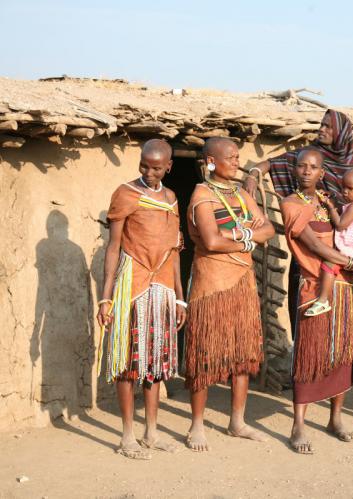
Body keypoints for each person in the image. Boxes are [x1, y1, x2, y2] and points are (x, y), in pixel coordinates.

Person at [183, 137, 275, 452]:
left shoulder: (239, 193)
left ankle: (237, 421)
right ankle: (196, 424)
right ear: (210, 162)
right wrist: (250, 237)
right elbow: (210, 241)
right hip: (212, 285)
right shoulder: (201, 195)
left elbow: (269, 230)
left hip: (241, 283)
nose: (237, 163)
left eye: (238, 158)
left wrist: (237, 235)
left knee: (243, 354)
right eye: (231, 158)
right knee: (205, 354)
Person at [279, 147, 353, 454]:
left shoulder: (328, 201)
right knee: (309, 352)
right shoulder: (290, 204)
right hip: (313, 285)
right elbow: (313, 246)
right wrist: (350, 262)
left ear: (322, 173)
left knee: (341, 352)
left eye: (313, 166)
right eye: (302, 166)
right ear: (295, 170)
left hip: (344, 288)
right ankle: (298, 425)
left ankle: (335, 418)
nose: (307, 171)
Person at [97, 139, 185, 459]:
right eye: (144, 165)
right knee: (127, 363)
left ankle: (151, 432)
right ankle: (127, 436)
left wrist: (180, 298)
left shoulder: (172, 198)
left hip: (162, 290)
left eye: (157, 167)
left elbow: (175, 250)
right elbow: (113, 247)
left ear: (169, 167)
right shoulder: (126, 194)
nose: (149, 172)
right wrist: (105, 300)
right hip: (132, 287)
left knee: (155, 365)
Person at [243, 109, 353, 334]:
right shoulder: (308, 155)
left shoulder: (350, 162)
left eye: (328, 126)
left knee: (338, 319)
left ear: (341, 133)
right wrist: (253, 174)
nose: (322, 129)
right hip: (309, 241)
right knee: (306, 302)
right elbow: (272, 163)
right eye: (321, 125)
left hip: (340, 244)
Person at [306, 166, 353, 316]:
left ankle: (323, 299)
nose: (345, 191)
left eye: (350, 188)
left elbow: (340, 224)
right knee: (334, 264)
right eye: (343, 187)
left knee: (329, 263)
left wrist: (330, 208)